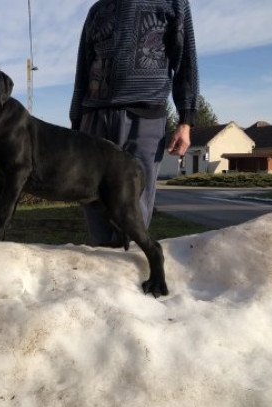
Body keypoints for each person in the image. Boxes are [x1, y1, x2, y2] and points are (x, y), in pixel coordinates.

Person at [70, 0, 199, 246]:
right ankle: (102, 276)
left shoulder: (173, 3)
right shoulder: (98, 10)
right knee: (94, 205)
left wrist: (186, 120)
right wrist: (76, 122)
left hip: (144, 118)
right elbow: (82, 71)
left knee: (133, 212)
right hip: (94, 120)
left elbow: (186, 62)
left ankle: (127, 275)